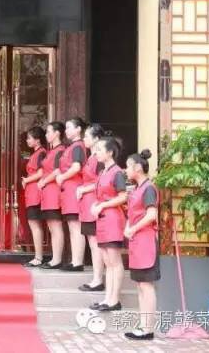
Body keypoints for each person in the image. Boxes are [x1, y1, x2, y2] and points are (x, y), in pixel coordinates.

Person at [124, 149, 160, 340]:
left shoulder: (148, 188)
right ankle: (143, 325)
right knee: (140, 285)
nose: (126, 170)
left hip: (146, 241)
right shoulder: (137, 189)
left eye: (128, 166)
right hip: (137, 241)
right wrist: (128, 227)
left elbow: (151, 215)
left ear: (138, 167)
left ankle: (148, 329)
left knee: (146, 285)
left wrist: (133, 228)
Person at [90, 136, 128, 312]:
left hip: (113, 219)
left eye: (99, 149)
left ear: (110, 152)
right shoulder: (103, 172)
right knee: (107, 260)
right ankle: (108, 298)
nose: (96, 152)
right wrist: (97, 205)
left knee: (114, 261)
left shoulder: (117, 172)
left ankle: (114, 300)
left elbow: (123, 196)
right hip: (103, 219)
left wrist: (103, 205)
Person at [76, 123, 106, 292]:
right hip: (87, 204)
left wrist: (83, 189)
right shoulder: (91, 157)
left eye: (87, 136)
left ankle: (98, 279)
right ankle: (96, 277)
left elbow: (101, 182)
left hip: (93, 203)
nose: (84, 139)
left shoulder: (99, 160)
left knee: (95, 243)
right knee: (92, 242)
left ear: (96, 139)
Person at [55, 117, 87, 272]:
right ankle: (75, 260)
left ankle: (78, 262)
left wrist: (62, 177)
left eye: (69, 127)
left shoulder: (78, 146)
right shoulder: (73, 146)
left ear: (78, 129)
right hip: (68, 191)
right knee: (72, 226)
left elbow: (76, 167)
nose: (66, 131)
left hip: (74, 188)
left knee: (76, 227)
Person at [36, 122, 66, 270]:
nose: (46, 135)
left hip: (54, 191)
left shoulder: (60, 150)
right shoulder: (51, 151)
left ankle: (57, 259)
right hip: (47, 192)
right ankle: (55, 258)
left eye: (49, 132)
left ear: (57, 133)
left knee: (55, 226)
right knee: (51, 226)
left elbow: (57, 170)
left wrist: (44, 181)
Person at [21, 127, 48, 267]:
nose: (27, 140)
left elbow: (41, 173)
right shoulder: (37, 153)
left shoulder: (41, 153)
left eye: (29, 138)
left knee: (35, 225)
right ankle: (38, 256)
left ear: (37, 140)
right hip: (32, 192)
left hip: (35, 193)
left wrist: (27, 180)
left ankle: (38, 257)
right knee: (34, 224)